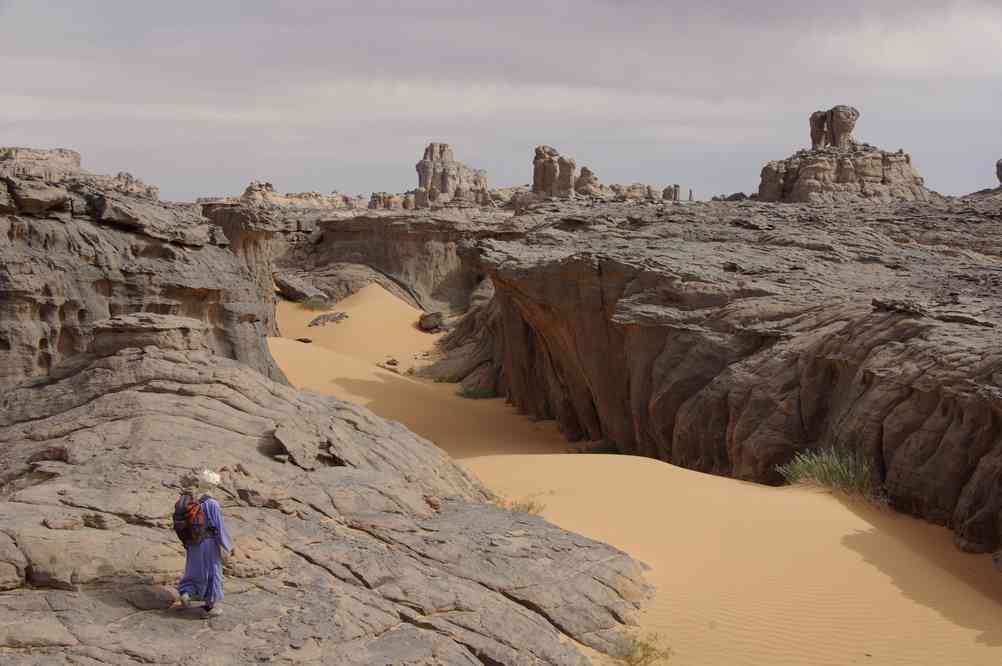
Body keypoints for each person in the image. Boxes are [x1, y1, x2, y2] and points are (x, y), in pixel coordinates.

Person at [175, 468, 234, 617]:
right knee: (212, 572)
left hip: (193, 542)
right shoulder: (212, 504)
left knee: (193, 570)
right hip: (208, 542)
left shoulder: (192, 500)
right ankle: (210, 606)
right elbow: (219, 526)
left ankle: (186, 593)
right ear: (212, 486)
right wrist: (228, 545)